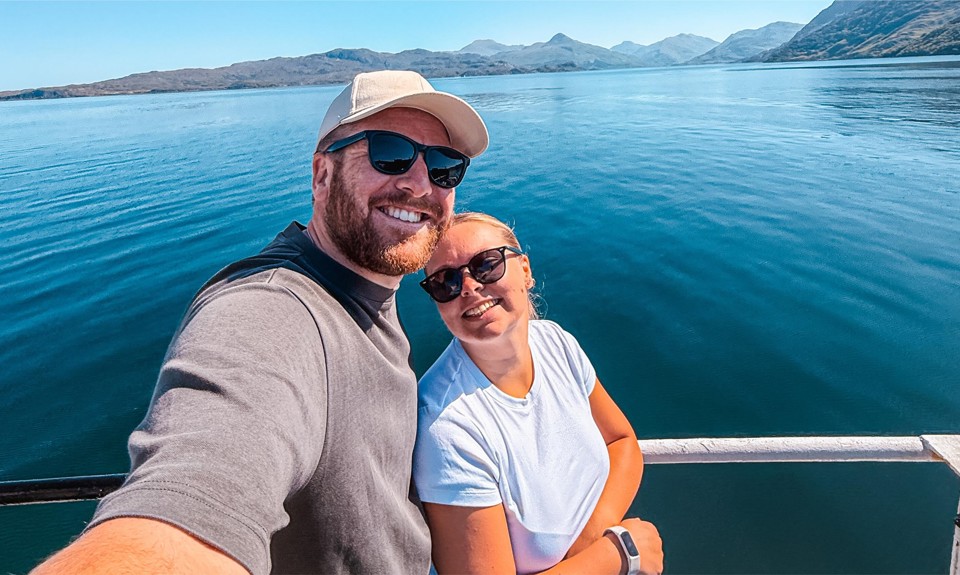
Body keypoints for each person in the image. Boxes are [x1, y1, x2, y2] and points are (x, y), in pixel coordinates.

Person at [32, 70, 488, 575]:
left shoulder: (366, 291)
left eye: (446, 166)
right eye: (390, 153)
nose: (420, 183)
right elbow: (194, 494)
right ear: (322, 176)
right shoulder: (272, 310)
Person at [413, 212, 664, 575]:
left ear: (525, 270)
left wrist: (590, 543)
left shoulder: (555, 343)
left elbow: (622, 441)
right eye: (445, 282)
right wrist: (618, 554)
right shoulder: (447, 427)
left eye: (486, 264)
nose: (467, 287)